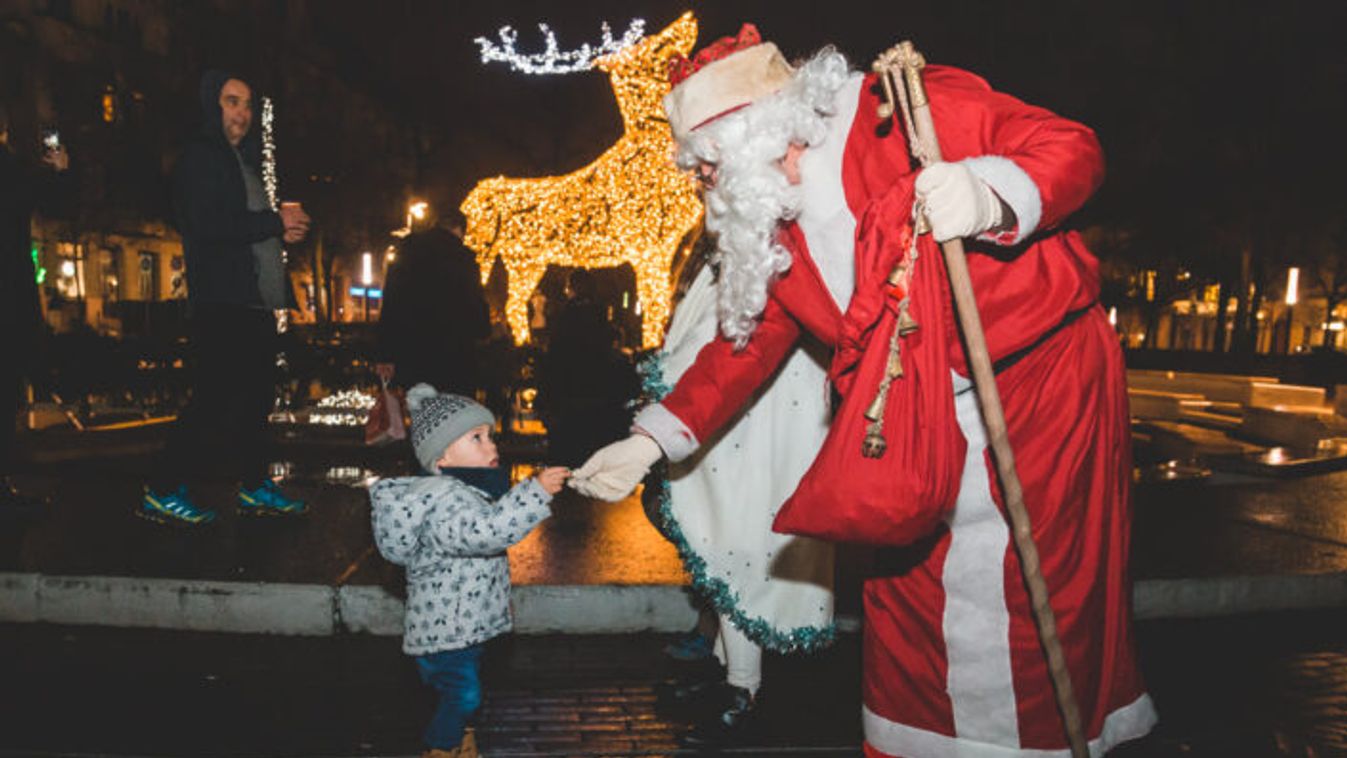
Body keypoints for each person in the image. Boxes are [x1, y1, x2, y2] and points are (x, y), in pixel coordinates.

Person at [570, 25, 1156, 757]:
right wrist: (648, 440)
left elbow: (1072, 147)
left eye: (707, 165)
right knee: (904, 600)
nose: (702, 185)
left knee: (1018, 605)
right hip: (904, 419)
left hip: (1030, 393)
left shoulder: (905, 112)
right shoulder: (777, 229)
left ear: (758, 135)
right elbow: (740, 350)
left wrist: (988, 195)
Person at [644, 242, 836, 745]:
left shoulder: (777, 235)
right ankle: (725, 671)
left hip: (763, 408)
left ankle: (743, 692)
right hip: (734, 407)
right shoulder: (728, 229)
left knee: (739, 543)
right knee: (717, 539)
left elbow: (742, 333)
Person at [139, 71, 311, 525]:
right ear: (211, 107)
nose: (242, 113)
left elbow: (246, 224)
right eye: (232, 102)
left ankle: (254, 485)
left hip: (250, 300)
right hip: (222, 300)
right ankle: (160, 487)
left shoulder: (239, 159)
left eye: (248, 105)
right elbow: (210, 225)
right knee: (215, 399)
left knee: (255, 399)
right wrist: (275, 222)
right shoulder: (201, 157)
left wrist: (279, 226)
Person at [368, 384, 568, 758]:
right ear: (441, 457)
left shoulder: (467, 492)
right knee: (464, 694)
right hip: (445, 634)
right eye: (477, 438)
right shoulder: (444, 501)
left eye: (490, 436)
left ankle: (463, 741)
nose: (491, 446)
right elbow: (486, 534)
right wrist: (534, 493)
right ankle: (441, 747)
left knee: (465, 693)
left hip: (463, 627)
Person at [0, 104, 71, 515]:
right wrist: (58, 170)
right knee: (6, 391)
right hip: (7, 299)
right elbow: (46, 203)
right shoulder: (10, 169)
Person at [375, 209, 490, 396]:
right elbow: (476, 308)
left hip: (414, 353)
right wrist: (484, 330)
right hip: (455, 355)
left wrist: (385, 354)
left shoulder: (408, 252)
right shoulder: (462, 258)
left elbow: (391, 305)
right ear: (459, 230)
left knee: (423, 415)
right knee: (454, 417)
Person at [535, 269, 639, 467]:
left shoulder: (565, 318)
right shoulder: (600, 318)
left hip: (570, 392)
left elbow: (556, 357)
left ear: (571, 289)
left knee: (568, 453)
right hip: (595, 394)